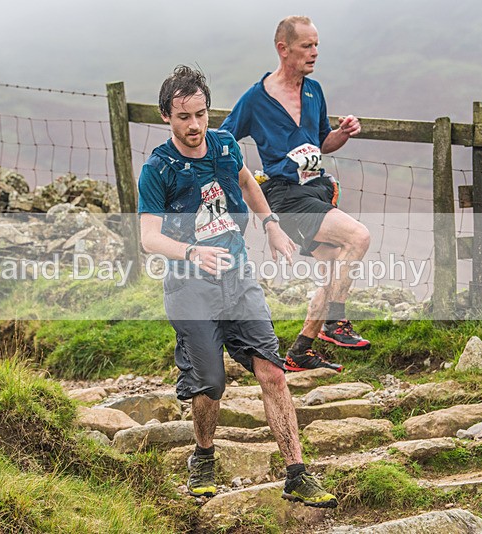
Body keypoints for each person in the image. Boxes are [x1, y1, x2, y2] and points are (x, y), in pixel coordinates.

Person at [138, 65, 338, 508]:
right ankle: (204, 456)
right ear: (167, 117)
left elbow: (247, 181)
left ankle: (297, 474)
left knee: (272, 370)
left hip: (238, 277)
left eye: (201, 115)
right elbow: (148, 237)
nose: (194, 126)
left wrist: (270, 224)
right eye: (183, 117)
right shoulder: (158, 168)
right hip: (189, 287)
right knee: (211, 383)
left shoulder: (225, 145)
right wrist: (191, 253)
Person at [221, 15, 372, 372]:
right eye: (307, 46)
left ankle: (301, 350)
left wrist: (343, 133)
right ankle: (335, 323)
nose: (315, 52)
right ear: (283, 49)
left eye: (317, 45)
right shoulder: (255, 99)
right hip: (284, 196)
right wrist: (238, 183)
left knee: (335, 268)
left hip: (316, 190)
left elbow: (321, 143)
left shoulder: (313, 90)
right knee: (359, 237)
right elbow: (223, 140)